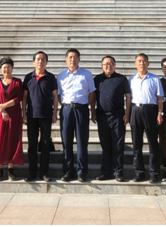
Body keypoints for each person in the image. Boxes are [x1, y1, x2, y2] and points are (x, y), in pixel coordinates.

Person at [57, 48, 96, 182]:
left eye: (75, 57)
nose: (72, 59)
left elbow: (92, 93)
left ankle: (81, 171)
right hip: (66, 110)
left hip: (81, 110)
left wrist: (86, 105)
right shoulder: (61, 76)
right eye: (70, 57)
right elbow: (58, 94)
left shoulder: (86, 74)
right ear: (66, 59)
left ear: (79, 59)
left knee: (82, 141)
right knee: (66, 141)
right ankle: (68, 171)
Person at [93, 55, 131, 182]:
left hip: (118, 116)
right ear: (102, 66)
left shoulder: (121, 79)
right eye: (106, 64)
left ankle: (118, 171)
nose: (108, 66)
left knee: (118, 145)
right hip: (102, 116)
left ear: (115, 65)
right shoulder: (97, 79)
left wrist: (127, 113)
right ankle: (105, 172)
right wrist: (93, 112)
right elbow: (92, 97)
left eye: (111, 63)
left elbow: (128, 96)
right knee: (106, 146)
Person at [22, 51, 58, 182]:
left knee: (45, 144)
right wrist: (24, 113)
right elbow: (24, 97)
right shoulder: (28, 77)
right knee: (32, 145)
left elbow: (55, 96)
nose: (40, 61)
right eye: (38, 59)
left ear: (46, 62)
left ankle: (44, 172)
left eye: (43, 59)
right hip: (31, 116)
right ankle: (32, 172)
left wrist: (55, 113)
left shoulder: (51, 77)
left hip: (46, 115)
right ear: (33, 61)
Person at [129, 53, 164, 184]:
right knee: (136, 143)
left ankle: (154, 173)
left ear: (148, 63)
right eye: (139, 61)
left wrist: (160, 113)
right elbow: (128, 98)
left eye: (144, 61)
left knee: (153, 143)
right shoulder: (131, 79)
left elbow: (160, 97)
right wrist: (128, 114)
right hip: (135, 110)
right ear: (135, 64)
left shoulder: (155, 78)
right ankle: (139, 172)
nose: (141, 63)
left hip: (150, 110)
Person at [0, 57, 24, 181]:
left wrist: (4, 106)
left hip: (14, 114)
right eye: (4, 67)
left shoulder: (17, 82)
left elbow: (19, 98)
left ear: (12, 68)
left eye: (8, 67)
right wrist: (1, 110)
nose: (6, 69)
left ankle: (10, 167)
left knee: (12, 139)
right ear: (0, 69)